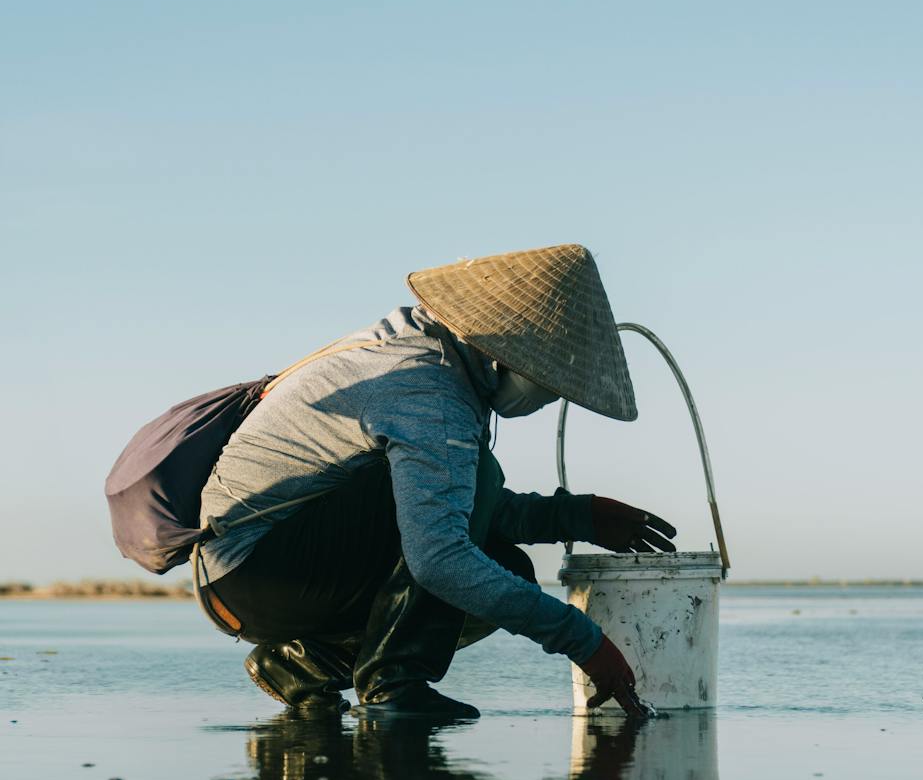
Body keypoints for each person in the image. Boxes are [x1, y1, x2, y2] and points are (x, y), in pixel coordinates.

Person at [194, 243, 676, 719]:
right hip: (257, 569)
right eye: (548, 387)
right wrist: (583, 640)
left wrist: (577, 516)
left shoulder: (421, 344)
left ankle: (304, 663)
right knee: (466, 521)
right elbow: (438, 557)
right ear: (510, 359)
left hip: (265, 567)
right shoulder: (430, 390)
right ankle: (394, 684)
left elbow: (449, 502)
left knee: (506, 563)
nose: (546, 402)